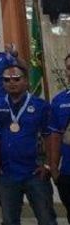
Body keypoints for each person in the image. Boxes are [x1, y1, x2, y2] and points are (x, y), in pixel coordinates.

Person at [0, 65, 56, 225]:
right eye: (6, 80)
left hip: (35, 173)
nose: (11, 82)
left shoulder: (41, 106)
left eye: (16, 79)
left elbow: (50, 137)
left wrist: (48, 165)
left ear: (26, 81)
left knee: (46, 219)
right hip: (6, 174)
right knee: (9, 220)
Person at [50, 53, 70, 221]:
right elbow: (55, 137)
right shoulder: (58, 101)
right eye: (69, 68)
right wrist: (54, 168)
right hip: (68, 172)